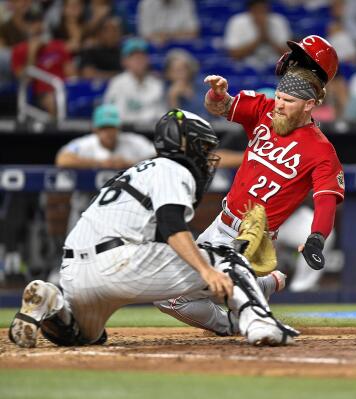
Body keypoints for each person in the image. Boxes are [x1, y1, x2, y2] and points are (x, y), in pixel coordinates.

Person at [8, 109, 297, 349]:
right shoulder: (173, 168)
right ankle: (260, 323)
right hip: (120, 260)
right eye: (203, 147)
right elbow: (172, 224)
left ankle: (51, 299)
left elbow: (163, 240)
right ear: (186, 144)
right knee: (226, 257)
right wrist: (211, 268)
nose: (207, 156)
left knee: (82, 336)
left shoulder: (135, 171)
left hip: (74, 270)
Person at [155, 35, 345, 330]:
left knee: (186, 292)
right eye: (279, 98)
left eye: (289, 101)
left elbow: (326, 199)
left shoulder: (321, 150)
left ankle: (242, 307)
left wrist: (316, 237)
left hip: (253, 239)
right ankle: (255, 290)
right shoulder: (263, 108)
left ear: (310, 105)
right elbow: (220, 107)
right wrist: (217, 95)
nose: (280, 105)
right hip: (221, 223)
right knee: (165, 295)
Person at [11, 5, 75, 116]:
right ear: (25, 25)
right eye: (32, 22)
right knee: (52, 100)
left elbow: (72, 74)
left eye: (39, 21)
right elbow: (24, 80)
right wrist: (32, 53)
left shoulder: (58, 45)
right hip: (41, 93)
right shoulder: (19, 50)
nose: (37, 25)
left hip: (64, 89)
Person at [103, 37, 166, 124]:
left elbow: (162, 114)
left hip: (152, 131)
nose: (139, 60)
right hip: (126, 131)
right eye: (134, 57)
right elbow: (115, 116)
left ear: (147, 60)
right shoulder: (117, 83)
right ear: (124, 61)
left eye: (141, 57)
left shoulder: (156, 84)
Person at [223, 0, 291, 71]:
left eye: (263, 9)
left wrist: (268, 37)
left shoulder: (279, 20)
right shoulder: (237, 21)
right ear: (250, 9)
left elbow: (287, 54)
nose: (260, 13)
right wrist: (259, 38)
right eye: (257, 9)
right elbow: (234, 54)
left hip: (275, 66)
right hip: (246, 67)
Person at [164, 48, 209, 120]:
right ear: (168, 74)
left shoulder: (202, 86)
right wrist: (173, 98)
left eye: (183, 69)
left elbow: (209, 115)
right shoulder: (163, 89)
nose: (180, 74)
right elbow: (172, 123)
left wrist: (191, 96)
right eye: (175, 71)